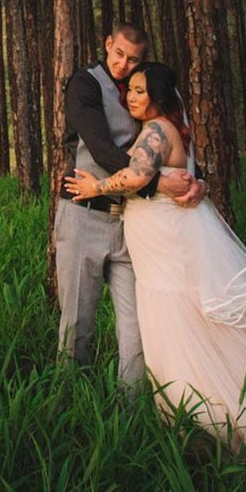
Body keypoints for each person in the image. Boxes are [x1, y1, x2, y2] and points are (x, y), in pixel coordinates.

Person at [65, 60, 246, 462]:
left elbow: (136, 178)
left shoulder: (156, 130)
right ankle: (186, 409)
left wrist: (94, 186)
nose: (130, 97)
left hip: (164, 246)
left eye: (139, 91)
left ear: (157, 96)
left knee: (176, 319)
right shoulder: (169, 129)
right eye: (129, 90)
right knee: (178, 318)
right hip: (161, 240)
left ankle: (204, 414)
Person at [54, 24, 202, 393]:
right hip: (84, 216)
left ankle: (131, 410)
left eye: (133, 58)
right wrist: (157, 183)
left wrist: (197, 180)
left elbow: (175, 137)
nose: (123, 64)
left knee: (136, 326)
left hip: (134, 222)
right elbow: (102, 149)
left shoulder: (147, 88)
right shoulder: (85, 84)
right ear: (108, 44)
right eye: (118, 54)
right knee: (77, 325)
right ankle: (71, 407)